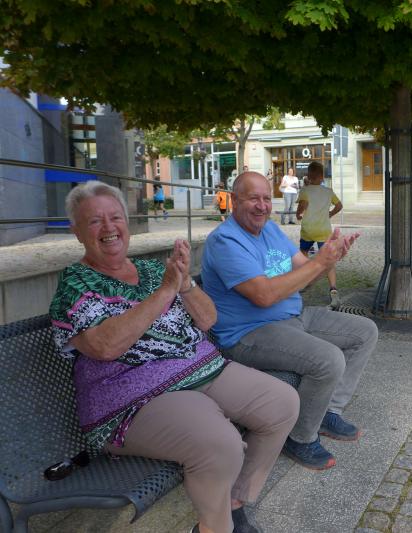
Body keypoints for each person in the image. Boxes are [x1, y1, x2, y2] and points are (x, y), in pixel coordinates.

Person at [50, 181, 299, 533]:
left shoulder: (152, 270)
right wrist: (166, 291)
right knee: (221, 443)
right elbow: (106, 346)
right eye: (94, 221)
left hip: (199, 368)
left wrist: (185, 285)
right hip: (133, 398)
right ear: (76, 231)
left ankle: (233, 502)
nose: (108, 228)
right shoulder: (76, 284)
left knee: (282, 404)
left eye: (115, 217)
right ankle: (215, 527)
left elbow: (208, 320)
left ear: (127, 223)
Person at [201, 171, 378, 471]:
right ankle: (299, 437)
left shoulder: (270, 230)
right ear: (234, 201)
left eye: (266, 198)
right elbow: (264, 295)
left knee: (365, 331)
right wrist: (319, 263)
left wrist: (329, 260)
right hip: (248, 333)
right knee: (328, 359)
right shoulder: (225, 241)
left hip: (293, 316)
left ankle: (327, 411)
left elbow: (305, 275)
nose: (262, 206)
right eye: (253, 198)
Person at [296, 161, 343, 309]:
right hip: (324, 231)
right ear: (322, 176)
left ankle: (303, 282)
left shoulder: (305, 190)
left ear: (308, 176)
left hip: (308, 229)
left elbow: (302, 205)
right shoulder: (328, 191)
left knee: (303, 254)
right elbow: (339, 206)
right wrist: (330, 214)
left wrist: (298, 214)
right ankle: (333, 290)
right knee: (329, 260)